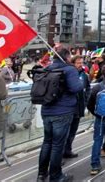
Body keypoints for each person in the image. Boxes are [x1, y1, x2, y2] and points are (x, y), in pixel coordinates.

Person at [37, 47, 84, 182]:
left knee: (47, 142)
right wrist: (79, 80)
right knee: (58, 144)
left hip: (46, 110)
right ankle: (56, 175)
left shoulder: (47, 68)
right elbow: (76, 88)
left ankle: (42, 174)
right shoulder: (69, 70)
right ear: (67, 57)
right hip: (63, 111)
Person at [63, 55, 91, 159]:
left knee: (73, 131)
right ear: (73, 63)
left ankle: (68, 150)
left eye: (82, 63)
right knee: (65, 132)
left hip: (79, 108)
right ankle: (60, 154)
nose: (81, 65)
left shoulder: (84, 75)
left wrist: (86, 100)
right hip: (69, 108)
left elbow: (88, 88)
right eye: (78, 63)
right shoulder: (68, 75)